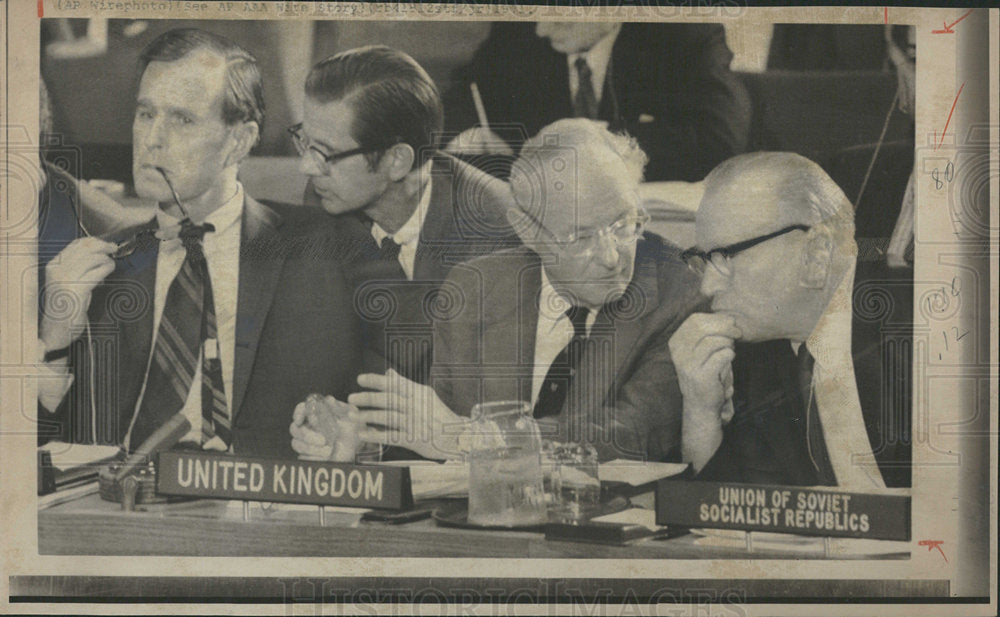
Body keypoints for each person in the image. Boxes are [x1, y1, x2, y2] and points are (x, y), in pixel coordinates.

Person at [291, 119, 703, 463]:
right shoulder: (476, 288)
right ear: (528, 230)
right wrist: (364, 446)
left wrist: (475, 439)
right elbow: (437, 432)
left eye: (625, 225)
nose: (613, 257)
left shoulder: (678, 290)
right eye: (580, 237)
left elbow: (638, 433)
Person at [37, 28, 361, 458]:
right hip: (122, 511)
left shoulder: (325, 249)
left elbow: (391, 408)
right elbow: (32, 454)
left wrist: (360, 444)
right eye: (145, 114)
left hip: (258, 510)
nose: (152, 139)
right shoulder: (96, 265)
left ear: (239, 141)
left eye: (182, 120)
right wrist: (55, 340)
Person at [294, 45, 518, 385]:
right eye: (305, 142)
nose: (306, 166)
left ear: (397, 161)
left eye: (324, 152)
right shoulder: (326, 196)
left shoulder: (495, 229)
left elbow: (481, 393)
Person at [669, 152, 887, 489]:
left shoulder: (919, 330)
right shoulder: (756, 355)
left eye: (725, 257)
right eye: (703, 260)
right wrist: (701, 411)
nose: (708, 287)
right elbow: (730, 517)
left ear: (816, 254)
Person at [443, 22, 751, 182]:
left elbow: (719, 140)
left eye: (561, 19)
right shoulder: (521, 32)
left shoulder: (680, 37)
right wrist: (467, 134)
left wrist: (592, 140)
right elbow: (463, 94)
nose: (542, 29)